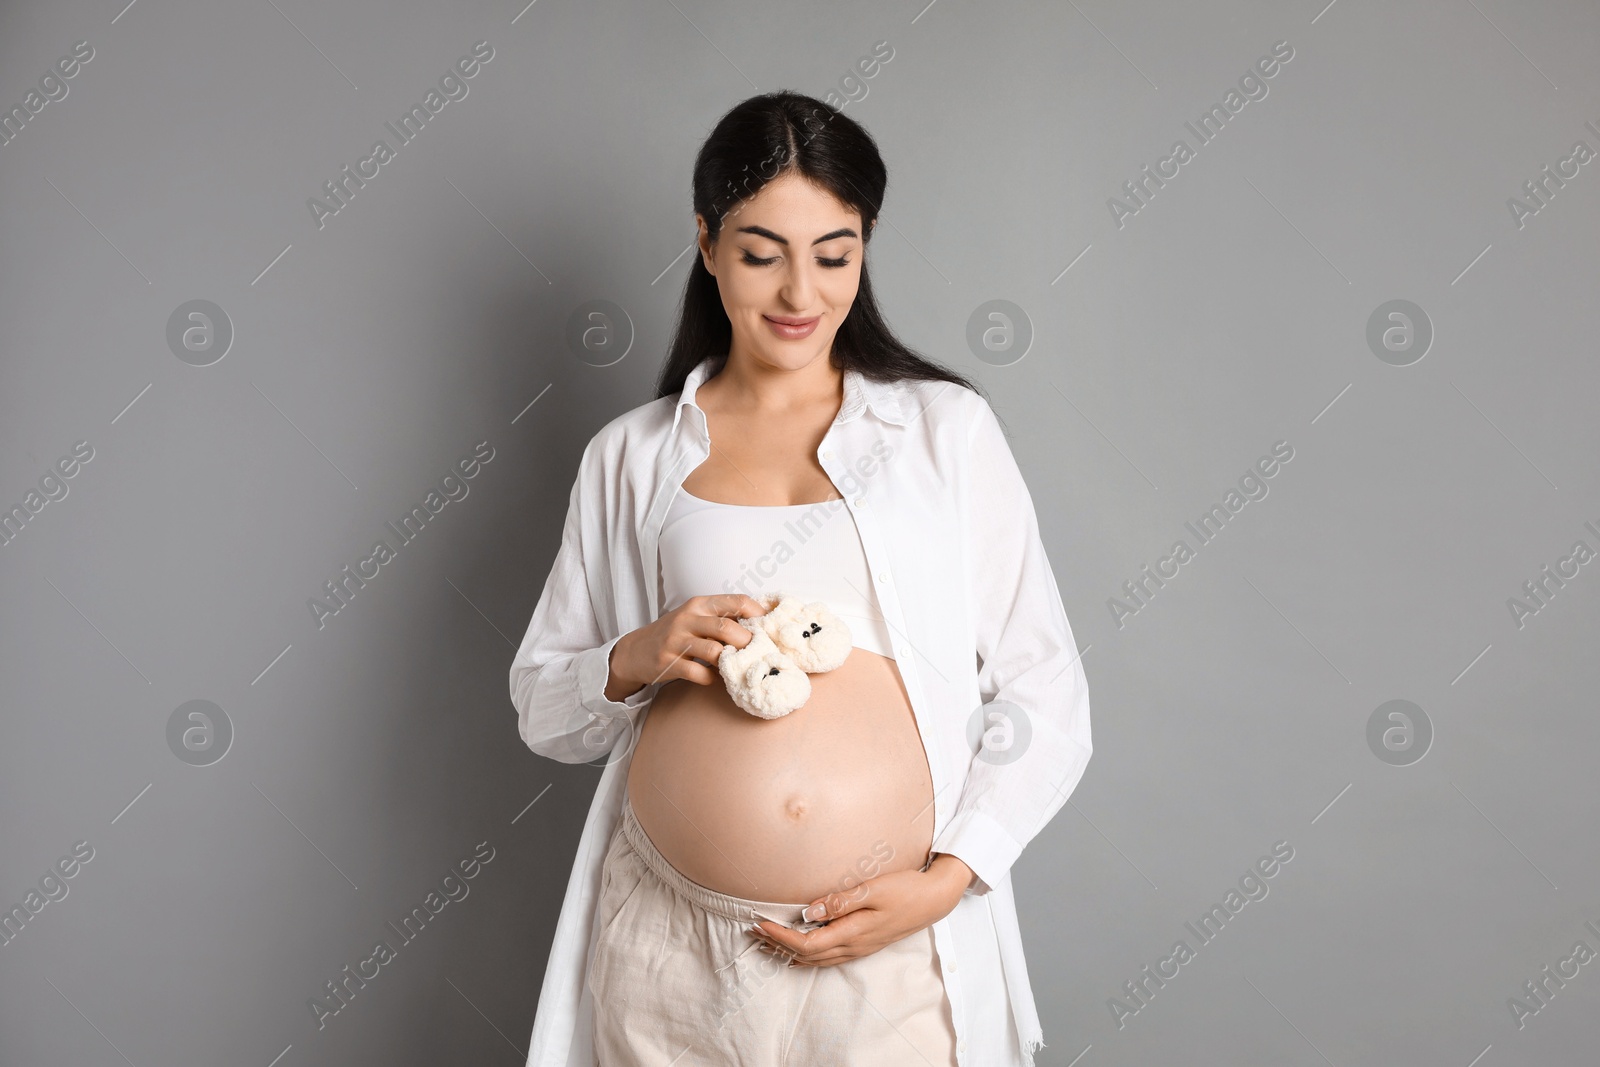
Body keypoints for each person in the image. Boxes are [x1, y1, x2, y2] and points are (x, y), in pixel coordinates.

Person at [510, 90, 1092, 1067]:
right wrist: (636, 653)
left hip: (888, 947)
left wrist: (952, 875)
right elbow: (543, 707)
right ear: (704, 242)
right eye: (759, 251)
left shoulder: (944, 433)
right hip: (669, 950)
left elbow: (1046, 686)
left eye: (833, 253)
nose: (799, 293)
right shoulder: (633, 456)